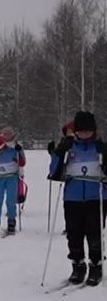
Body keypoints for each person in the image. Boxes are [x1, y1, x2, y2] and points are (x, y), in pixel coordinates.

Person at [48, 110, 103, 286]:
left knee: (94, 232)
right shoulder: (69, 147)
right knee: (74, 233)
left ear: (94, 131)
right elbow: (54, 172)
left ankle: (96, 266)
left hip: (96, 197)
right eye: (81, 130)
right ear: (75, 131)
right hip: (73, 197)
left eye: (88, 130)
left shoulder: (100, 147)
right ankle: (78, 265)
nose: (84, 133)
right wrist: (59, 151)